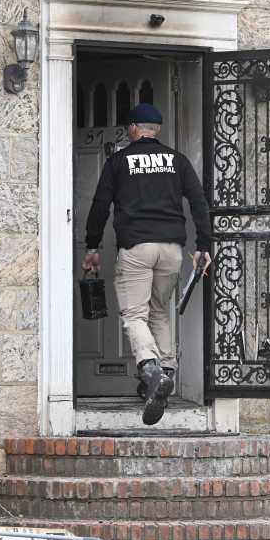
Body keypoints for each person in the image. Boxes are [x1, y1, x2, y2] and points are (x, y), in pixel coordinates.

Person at [83, 103, 212, 425]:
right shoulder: (177, 161)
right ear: (157, 130)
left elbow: (100, 204)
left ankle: (150, 368)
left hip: (138, 247)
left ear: (132, 129)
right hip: (172, 249)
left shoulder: (119, 161)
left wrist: (92, 245)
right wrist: (204, 246)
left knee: (134, 314)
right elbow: (198, 201)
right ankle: (165, 373)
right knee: (159, 311)